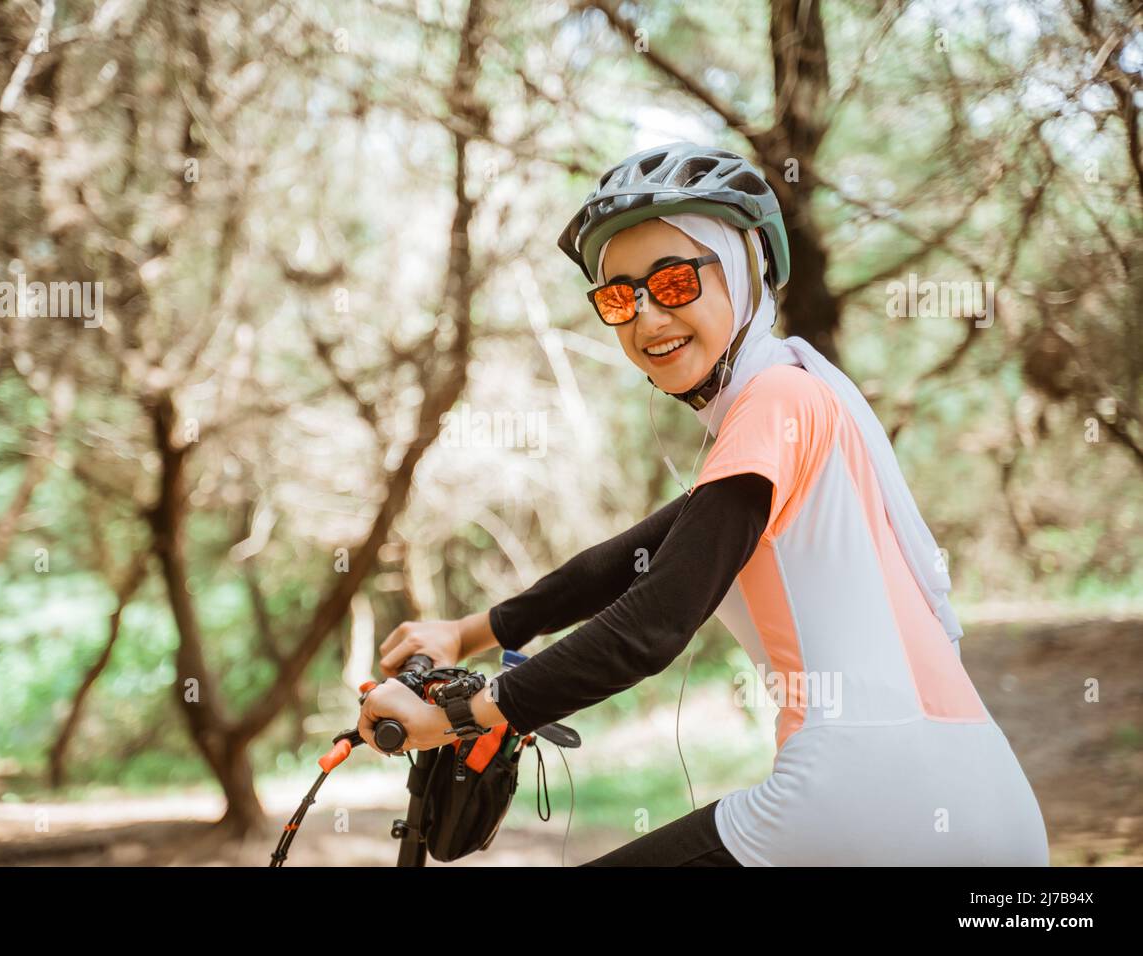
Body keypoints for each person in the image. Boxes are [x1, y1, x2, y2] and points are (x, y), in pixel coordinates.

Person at [358, 142, 1050, 866]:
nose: (649, 316)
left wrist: (454, 716)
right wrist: (466, 633)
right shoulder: (796, 404)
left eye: (676, 280)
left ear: (748, 268)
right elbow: (625, 562)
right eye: (621, 297)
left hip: (866, 793)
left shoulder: (776, 401)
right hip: (985, 799)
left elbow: (654, 622)